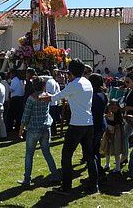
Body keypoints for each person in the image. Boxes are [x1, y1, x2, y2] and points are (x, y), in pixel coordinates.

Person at [40, 58, 99, 195]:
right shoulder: (87, 82)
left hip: (76, 125)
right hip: (88, 123)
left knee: (66, 155)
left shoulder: (73, 84)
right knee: (90, 156)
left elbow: (55, 97)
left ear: (71, 72)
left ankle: (66, 186)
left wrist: (43, 96)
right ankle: (94, 185)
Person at [17, 77, 60, 186]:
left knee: (29, 154)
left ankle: (27, 180)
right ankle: (55, 175)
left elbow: (25, 116)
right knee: (47, 153)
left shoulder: (31, 98)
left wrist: (21, 130)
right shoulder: (47, 96)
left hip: (33, 129)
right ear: (43, 86)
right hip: (45, 128)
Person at [88, 73, 107, 175]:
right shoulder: (103, 95)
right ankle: (98, 170)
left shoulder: (93, 97)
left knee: (92, 151)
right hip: (101, 124)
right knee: (96, 150)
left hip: (94, 125)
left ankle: (97, 172)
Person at [43, 70, 61, 135]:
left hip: (51, 102)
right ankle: (54, 131)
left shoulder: (49, 82)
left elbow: (48, 93)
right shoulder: (54, 81)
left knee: (51, 118)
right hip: (54, 102)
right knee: (53, 117)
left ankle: (53, 131)